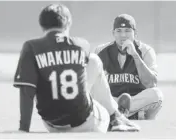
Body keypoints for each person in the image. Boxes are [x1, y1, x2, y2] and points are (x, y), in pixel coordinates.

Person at [13, 4, 140, 133]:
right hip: (85, 122)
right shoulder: (81, 44)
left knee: (38, 76)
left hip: (51, 124)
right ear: (68, 23)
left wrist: (24, 128)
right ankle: (116, 117)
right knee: (94, 60)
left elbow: (27, 89)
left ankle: (116, 114)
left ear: (41, 24)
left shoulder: (31, 47)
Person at [95, 14, 163, 120]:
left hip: (136, 100)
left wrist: (135, 55)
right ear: (113, 33)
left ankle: (119, 113)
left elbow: (151, 83)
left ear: (135, 33)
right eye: (119, 31)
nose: (123, 35)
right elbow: (93, 85)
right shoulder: (101, 51)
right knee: (91, 95)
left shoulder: (145, 51)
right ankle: (133, 115)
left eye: (127, 30)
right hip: (112, 100)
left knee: (156, 94)